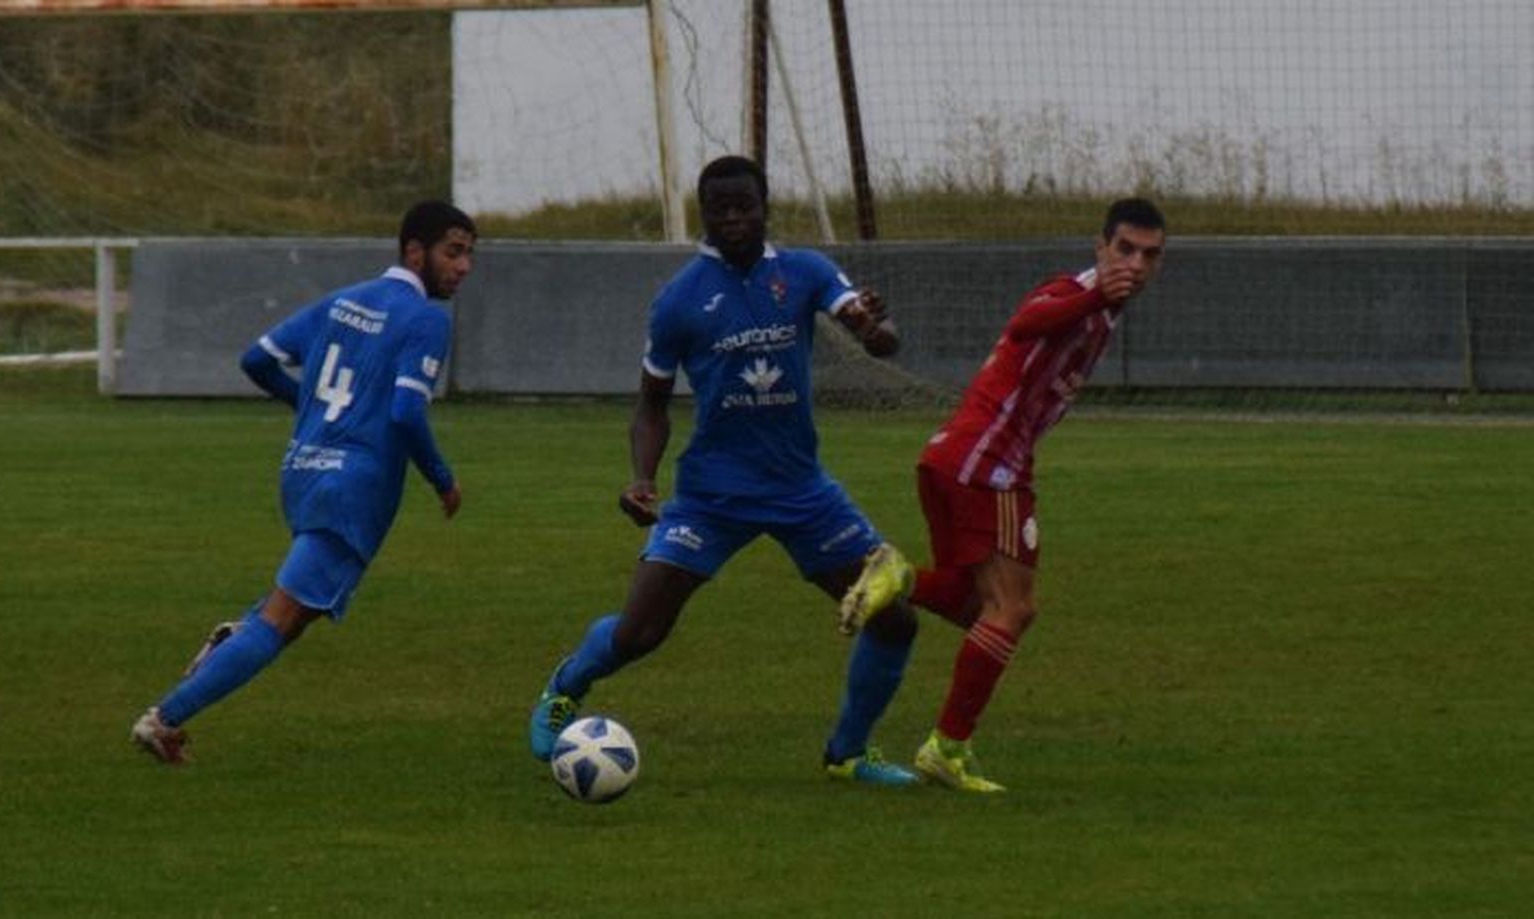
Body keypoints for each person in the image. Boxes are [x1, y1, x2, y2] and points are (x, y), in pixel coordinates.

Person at [527, 155, 922, 785]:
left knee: (894, 618)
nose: (734, 218)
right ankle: (566, 686)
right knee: (639, 633)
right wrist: (643, 478)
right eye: (720, 209)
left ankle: (847, 754)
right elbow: (651, 406)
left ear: (766, 208)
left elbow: (880, 336)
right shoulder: (680, 300)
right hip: (711, 496)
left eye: (745, 206)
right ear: (704, 215)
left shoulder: (805, 271)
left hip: (800, 489)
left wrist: (874, 328)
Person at [130, 200, 477, 764]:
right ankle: (164, 720)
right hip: (354, 488)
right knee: (283, 618)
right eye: (454, 252)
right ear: (415, 251)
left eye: (468, 255)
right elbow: (406, 413)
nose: (464, 267)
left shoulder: (342, 301)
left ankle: (233, 640)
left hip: (302, 471)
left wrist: (312, 411)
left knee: (299, 611)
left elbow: (257, 359)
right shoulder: (427, 319)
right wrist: (443, 479)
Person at [840, 197, 1167, 793]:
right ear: (1100, 248)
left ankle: (901, 579)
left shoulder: (1101, 310)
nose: (1136, 265)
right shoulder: (1075, 293)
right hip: (987, 465)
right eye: (1125, 250)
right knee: (1013, 609)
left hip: (951, 458)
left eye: (1150, 255)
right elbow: (1027, 321)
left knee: (975, 603)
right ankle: (947, 747)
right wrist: (1095, 294)